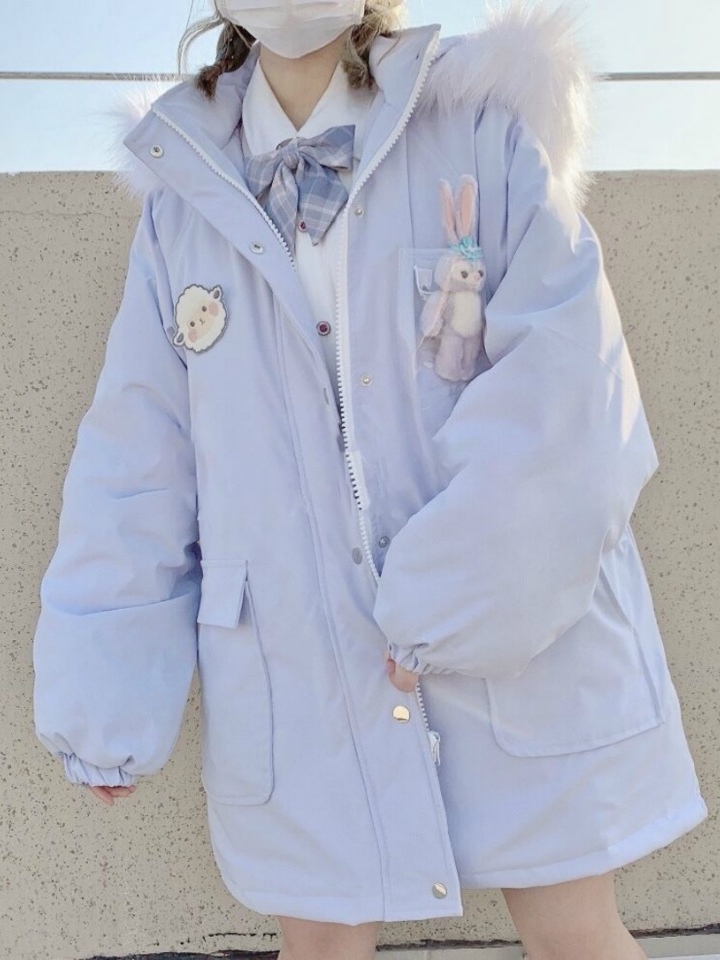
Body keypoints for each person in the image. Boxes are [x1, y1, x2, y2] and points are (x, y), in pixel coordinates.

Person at [32, 1, 708, 958]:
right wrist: (104, 690)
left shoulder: (478, 125)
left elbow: (570, 395)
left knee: (574, 934)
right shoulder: (184, 196)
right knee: (320, 942)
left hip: (522, 643)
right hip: (297, 661)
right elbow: (137, 460)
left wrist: (450, 600)